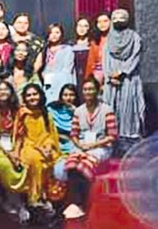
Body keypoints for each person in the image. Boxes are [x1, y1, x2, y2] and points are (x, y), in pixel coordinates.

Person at [63, 77, 119, 219]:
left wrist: (92, 145)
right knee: (71, 162)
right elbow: (74, 134)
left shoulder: (107, 110)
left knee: (85, 163)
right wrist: (79, 145)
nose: (88, 92)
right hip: (82, 146)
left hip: (101, 147)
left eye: (91, 89)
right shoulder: (79, 111)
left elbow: (112, 136)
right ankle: (76, 203)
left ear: (97, 90)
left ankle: (84, 203)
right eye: (86, 89)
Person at [0, 80, 30, 222]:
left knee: (27, 160)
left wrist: (16, 151)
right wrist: (9, 154)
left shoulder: (18, 110)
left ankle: (27, 202)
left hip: (16, 145)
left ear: (11, 92)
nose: (3, 92)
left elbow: (21, 134)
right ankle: (15, 202)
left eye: (6, 89)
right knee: (5, 164)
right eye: (0, 90)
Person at [13, 83, 61, 214]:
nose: (32, 97)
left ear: (40, 95)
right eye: (28, 95)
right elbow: (19, 135)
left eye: (34, 94)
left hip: (45, 144)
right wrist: (16, 152)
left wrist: (48, 146)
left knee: (51, 159)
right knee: (34, 159)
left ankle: (46, 195)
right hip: (29, 144)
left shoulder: (46, 113)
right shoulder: (22, 113)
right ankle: (34, 197)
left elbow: (51, 134)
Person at [100, 8, 145, 139]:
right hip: (111, 80)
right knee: (111, 107)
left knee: (129, 108)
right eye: (115, 18)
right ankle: (111, 136)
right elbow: (105, 59)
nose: (118, 20)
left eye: (122, 18)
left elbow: (135, 57)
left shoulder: (135, 37)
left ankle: (128, 136)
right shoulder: (108, 39)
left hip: (128, 78)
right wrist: (109, 75)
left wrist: (122, 72)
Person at [42, 23, 75, 103]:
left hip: (62, 84)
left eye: (57, 32)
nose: (54, 35)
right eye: (51, 32)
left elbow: (67, 69)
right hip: (48, 86)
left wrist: (50, 77)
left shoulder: (67, 49)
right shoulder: (45, 49)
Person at [47, 84, 79, 153]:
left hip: (73, 144)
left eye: (71, 95)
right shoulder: (53, 109)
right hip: (55, 142)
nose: (68, 98)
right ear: (61, 96)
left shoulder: (80, 111)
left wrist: (77, 112)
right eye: (65, 95)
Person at [84, 13, 111, 85]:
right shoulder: (95, 41)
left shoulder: (116, 39)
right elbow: (91, 61)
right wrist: (88, 78)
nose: (102, 24)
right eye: (99, 22)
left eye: (105, 21)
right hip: (98, 74)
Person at [70, 17, 93, 87]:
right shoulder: (70, 45)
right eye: (79, 25)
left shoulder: (93, 44)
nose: (82, 29)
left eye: (85, 26)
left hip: (89, 77)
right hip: (74, 78)